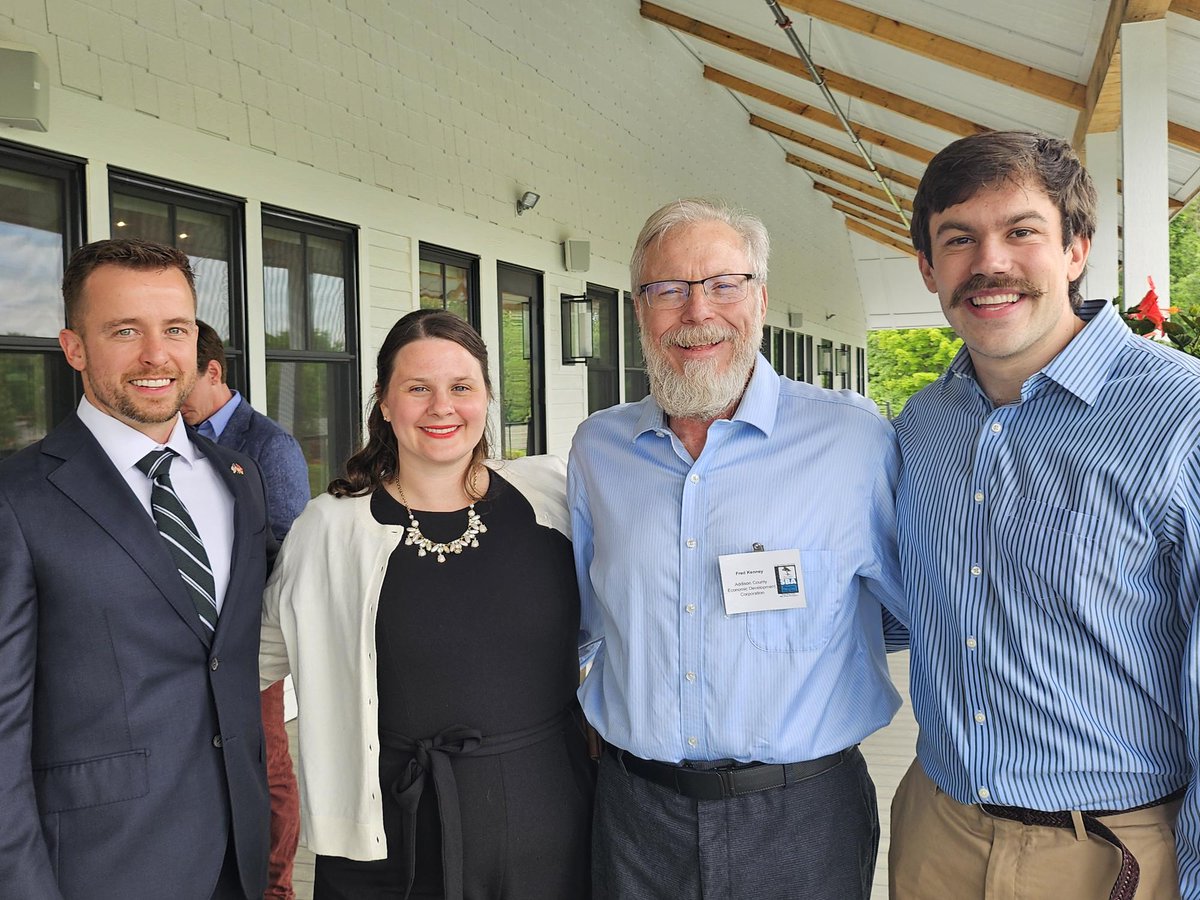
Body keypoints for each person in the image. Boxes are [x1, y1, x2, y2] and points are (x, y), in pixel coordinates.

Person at [891, 131, 1200, 900]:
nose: (989, 263)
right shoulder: (921, 425)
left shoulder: (1181, 416)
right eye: (958, 239)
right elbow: (893, 601)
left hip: (1111, 851)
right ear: (929, 269)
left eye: (1022, 231)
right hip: (939, 832)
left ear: (1076, 249)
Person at [569, 198, 908, 899]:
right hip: (636, 816)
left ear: (759, 298)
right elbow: (580, 621)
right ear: (639, 309)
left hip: (803, 816)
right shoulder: (599, 450)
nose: (697, 313)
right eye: (668, 289)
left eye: (723, 284)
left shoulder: (852, 442)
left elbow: (924, 610)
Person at [260, 308, 593, 900]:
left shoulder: (552, 497)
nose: (442, 407)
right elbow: (251, 659)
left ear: (486, 396)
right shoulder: (331, 529)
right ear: (385, 403)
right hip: (391, 831)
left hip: (549, 816)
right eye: (418, 388)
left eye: (461, 387)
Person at [0, 238, 272, 899]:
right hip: (99, 869)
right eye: (125, 330)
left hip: (238, 859)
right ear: (74, 348)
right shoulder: (16, 498)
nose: (156, 355)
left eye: (174, 329)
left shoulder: (238, 479)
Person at [181, 320, 309, 900]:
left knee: (267, 763)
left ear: (213, 371)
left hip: (250, 636)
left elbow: (287, 549)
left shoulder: (267, 445)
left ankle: (275, 887)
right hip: (189, 635)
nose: (173, 396)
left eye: (184, 383)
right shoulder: (174, 441)